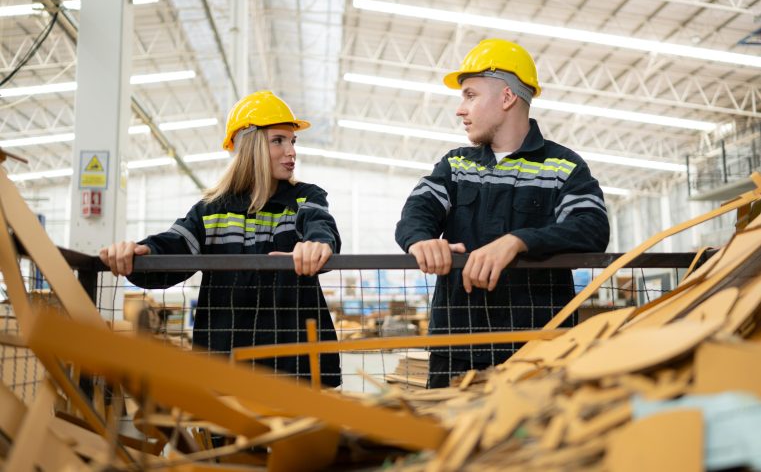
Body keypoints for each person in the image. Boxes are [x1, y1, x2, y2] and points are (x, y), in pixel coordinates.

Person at [395, 39, 610, 388]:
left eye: (470, 95)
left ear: (507, 98)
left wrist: (519, 241)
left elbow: (591, 227)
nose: (460, 109)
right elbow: (418, 210)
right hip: (455, 349)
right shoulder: (455, 165)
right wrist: (419, 240)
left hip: (537, 352)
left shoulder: (564, 166)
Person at [100, 90, 341, 387]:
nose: (291, 151)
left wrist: (317, 244)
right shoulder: (210, 211)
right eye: (278, 140)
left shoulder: (306, 197)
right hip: (226, 365)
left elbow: (319, 224)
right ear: (249, 146)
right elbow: (174, 244)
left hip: (295, 367)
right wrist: (139, 253)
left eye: (293, 141)